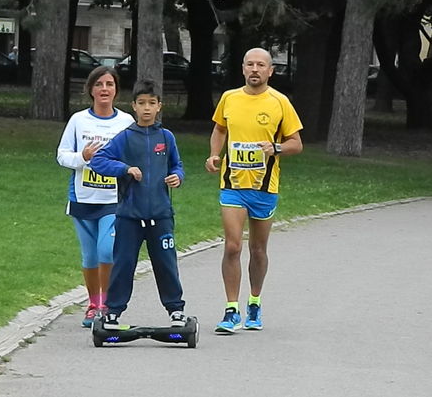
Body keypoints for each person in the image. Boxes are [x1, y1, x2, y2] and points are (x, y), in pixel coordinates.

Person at [205, 47, 303, 333]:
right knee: (233, 246)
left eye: (261, 65)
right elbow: (220, 129)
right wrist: (214, 154)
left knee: (258, 249)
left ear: (270, 71)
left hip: (264, 186)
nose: (255, 69)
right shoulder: (229, 98)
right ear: (243, 68)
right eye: (250, 64)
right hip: (233, 184)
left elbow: (296, 143)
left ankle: (255, 302)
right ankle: (231, 309)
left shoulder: (280, 102)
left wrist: (277, 148)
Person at [89, 79, 186, 330]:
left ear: (159, 107)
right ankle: (113, 312)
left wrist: (178, 176)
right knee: (123, 264)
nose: (146, 109)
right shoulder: (124, 138)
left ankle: (176, 309)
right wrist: (124, 169)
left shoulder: (166, 137)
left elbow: (177, 165)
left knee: (166, 263)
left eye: (151, 104)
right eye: (141, 103)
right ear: (133, 106)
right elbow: (98, 161)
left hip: (161, 215)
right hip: (129, 216)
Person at [56, 66, 134, 328]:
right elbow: (62, 155)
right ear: (90, 90)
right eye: (99, 84)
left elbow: (134, 155)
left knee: (106, 250)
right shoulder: (78, 120)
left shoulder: (125, 122)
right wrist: (83, 158)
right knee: (89, 257)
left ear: (116, 90)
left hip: (113, 200)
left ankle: (107, 303)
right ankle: (94, 303)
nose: (104, 89)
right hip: (82, 198)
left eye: (109, 84)